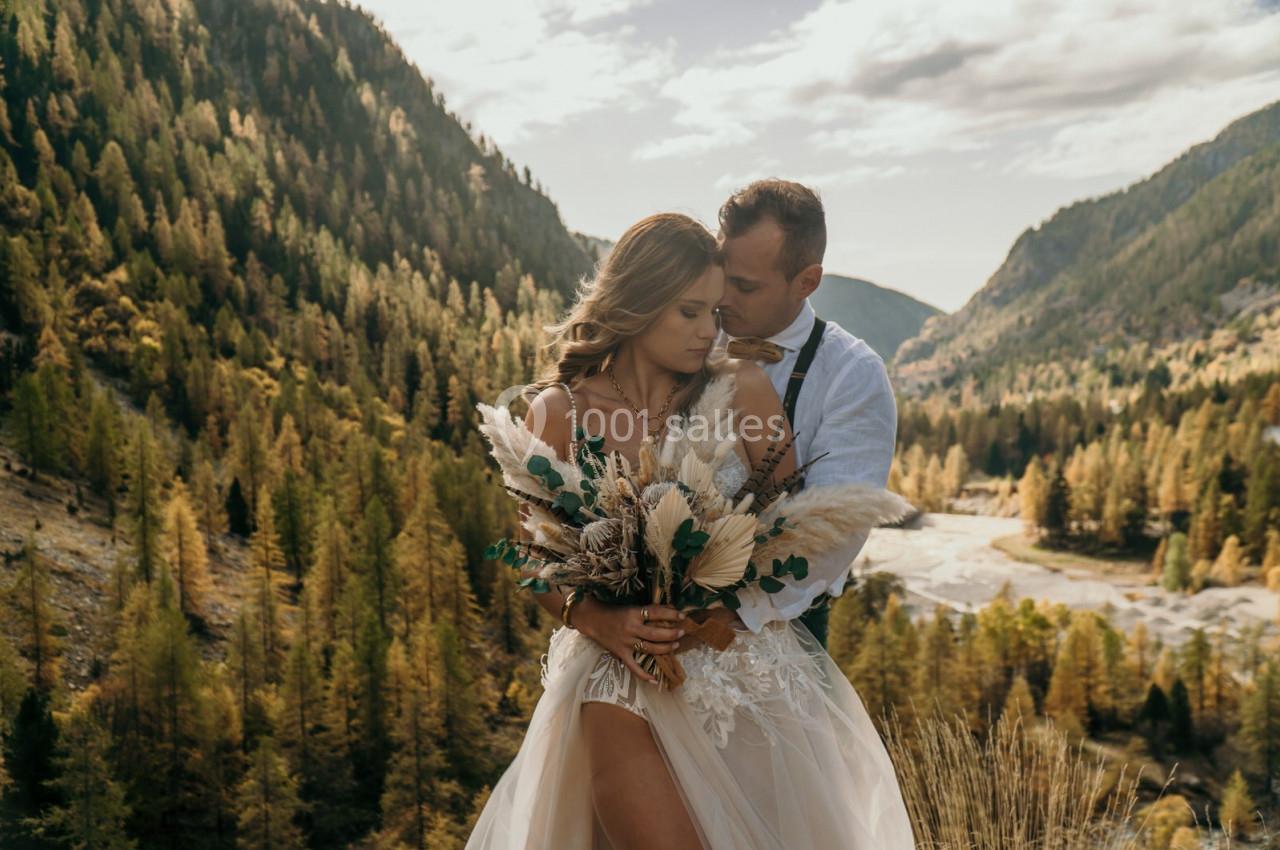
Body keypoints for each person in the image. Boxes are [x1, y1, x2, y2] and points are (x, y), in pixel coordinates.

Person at [465, 211, 914, 849]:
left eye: (715, 312)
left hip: (743, 666)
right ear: (637, 304)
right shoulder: (557, 413)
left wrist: (723, 594)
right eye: (690, 313)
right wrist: (604, 621)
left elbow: (782, 530)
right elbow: (533, 561)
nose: (711, 332)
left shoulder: (744, 391)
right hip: (620, 671)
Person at [713, 178, 899, 651]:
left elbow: (830, 539)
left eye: (744, 286)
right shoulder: (682, 332)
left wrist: (727, 615)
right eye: (719, 274)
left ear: (807, 281)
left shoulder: (852, 373)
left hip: (777, 638)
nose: (721, 298)